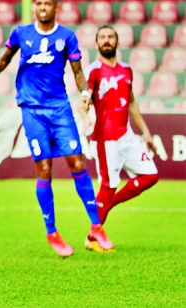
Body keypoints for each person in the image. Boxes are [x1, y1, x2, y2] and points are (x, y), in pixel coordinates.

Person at [0, 0, 113, 257]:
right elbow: (3, 60)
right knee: (44, 169)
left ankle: (96, 226)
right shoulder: (21, 33)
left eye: (48, 4)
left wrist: (84, 94)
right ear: (35, 7)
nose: (42, 8)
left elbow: (78, 73)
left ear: (56, 8)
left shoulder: (67, 37)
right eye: (39, 4)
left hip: (59, 108)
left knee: (77, 162)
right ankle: (52, 233)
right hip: (32, 111)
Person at [80, 25, 158, 251]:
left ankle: (105, 208)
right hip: (106, 139)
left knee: (151, 175)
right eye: (102, 37)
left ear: (117, 42)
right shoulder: (93, 71)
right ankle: (92, 237)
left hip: (127, 136)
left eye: (110, 37)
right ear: (96, 44)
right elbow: (85, 98)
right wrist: (85, 115)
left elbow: (131, 102)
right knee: (108, 184)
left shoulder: (126, 70)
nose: (106, 41)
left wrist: (145, 131)